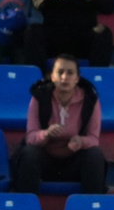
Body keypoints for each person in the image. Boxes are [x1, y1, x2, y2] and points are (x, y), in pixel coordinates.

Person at [14, 54, 108, 194]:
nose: (64, 78)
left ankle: (93, 206)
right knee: (29, 153)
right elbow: (31, 136)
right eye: (60, 72)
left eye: (70, 73)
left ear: (77, 78)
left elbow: (93, 138)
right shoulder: (39, 97)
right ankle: (25, 205)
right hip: (45, 160)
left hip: (74, 161)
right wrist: (45, 134)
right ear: (52, 76)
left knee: (95, 154)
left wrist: (80, 141)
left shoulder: (90, 100)